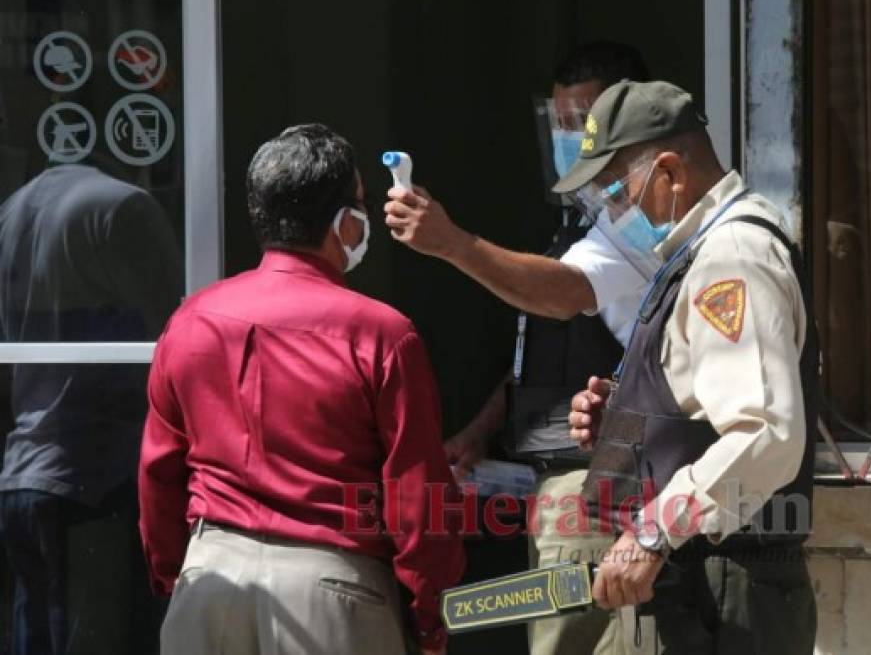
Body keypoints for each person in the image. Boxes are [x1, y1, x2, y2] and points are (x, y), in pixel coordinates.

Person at [138, 123, 465, 655]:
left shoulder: (190, 320)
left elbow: (159, 474)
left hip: (210, 581)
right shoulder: (382, 334)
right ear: (345, 223)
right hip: (335, 592)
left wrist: (176, 580)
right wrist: (430, 614)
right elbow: (418, 496)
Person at [385, 41, 651, 655]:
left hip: (598, 489)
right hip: (552, 486)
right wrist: (481, 431)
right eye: (556, 124)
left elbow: (561, 297)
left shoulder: (638, 228)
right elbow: (539, 353)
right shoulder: (573, 223)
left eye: (578, 126)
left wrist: (452, 243)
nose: (565, 140)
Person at [565, 80, 818, 654]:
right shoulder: (698, 251)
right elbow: (703, 405)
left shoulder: (731, 256)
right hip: (700, 584)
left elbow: (765, 432)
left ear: (671, 174)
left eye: (617, 191)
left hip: (725, 590)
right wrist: (626, 428)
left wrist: (653, 533)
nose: (611, 211)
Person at [0, 162, 181, 655]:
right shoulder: (122, 207)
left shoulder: (14, 213)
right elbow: (178, 338)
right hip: (97, 480)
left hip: (24, 472)